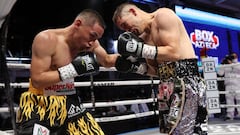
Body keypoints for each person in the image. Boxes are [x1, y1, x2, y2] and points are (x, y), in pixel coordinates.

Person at [15, 9, 119, 135]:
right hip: (41, 103)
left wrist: (136, 55)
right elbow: (37, 80)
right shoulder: (47, 39)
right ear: (78, 24)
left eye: (96, 38)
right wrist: (73, 69)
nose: (93, 42)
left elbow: (107, 60)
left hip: (70, 102)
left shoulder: (90, 43)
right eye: (92, 35)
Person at [112, 3, 207, 135]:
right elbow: (157, 71)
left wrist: (140, 50)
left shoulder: (163, 15)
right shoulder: (143, 39)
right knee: (170, 131)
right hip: (165, 86)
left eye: (125, 24)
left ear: (133, 12)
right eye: (123, 29)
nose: (126, 30)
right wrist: (136, 68)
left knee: (182, 132)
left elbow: (174, 53)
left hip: (185, 80)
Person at [218, 53, 240, 120]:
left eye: (233, 56)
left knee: (239, 100)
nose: (232, 57)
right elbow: (220, 73)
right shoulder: (225, 65)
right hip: (228, 85)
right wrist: (222, 64)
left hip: (238, 85)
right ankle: (230, 116)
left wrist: (232, 63)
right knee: (229, 101)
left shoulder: (238, 64)